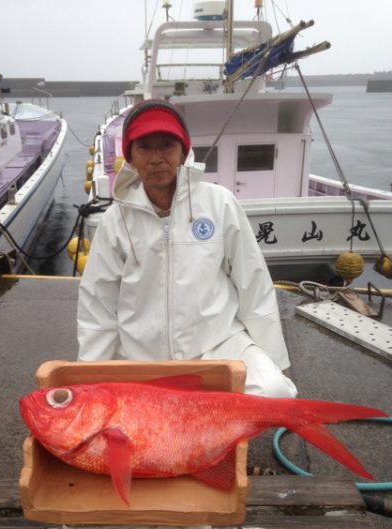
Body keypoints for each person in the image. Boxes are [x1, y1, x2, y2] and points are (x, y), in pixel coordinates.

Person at [77, 99, 296, 397]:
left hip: (218, 344)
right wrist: (92, 375)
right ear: (130, 156)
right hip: (141, 356)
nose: (156, 159)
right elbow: (98, 304)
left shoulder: (219, 203)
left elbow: (253, 284)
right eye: (144, 147)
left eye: (166, 145)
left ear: (183, 151)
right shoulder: (115, 221)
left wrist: (275, 359)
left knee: (276, 392)